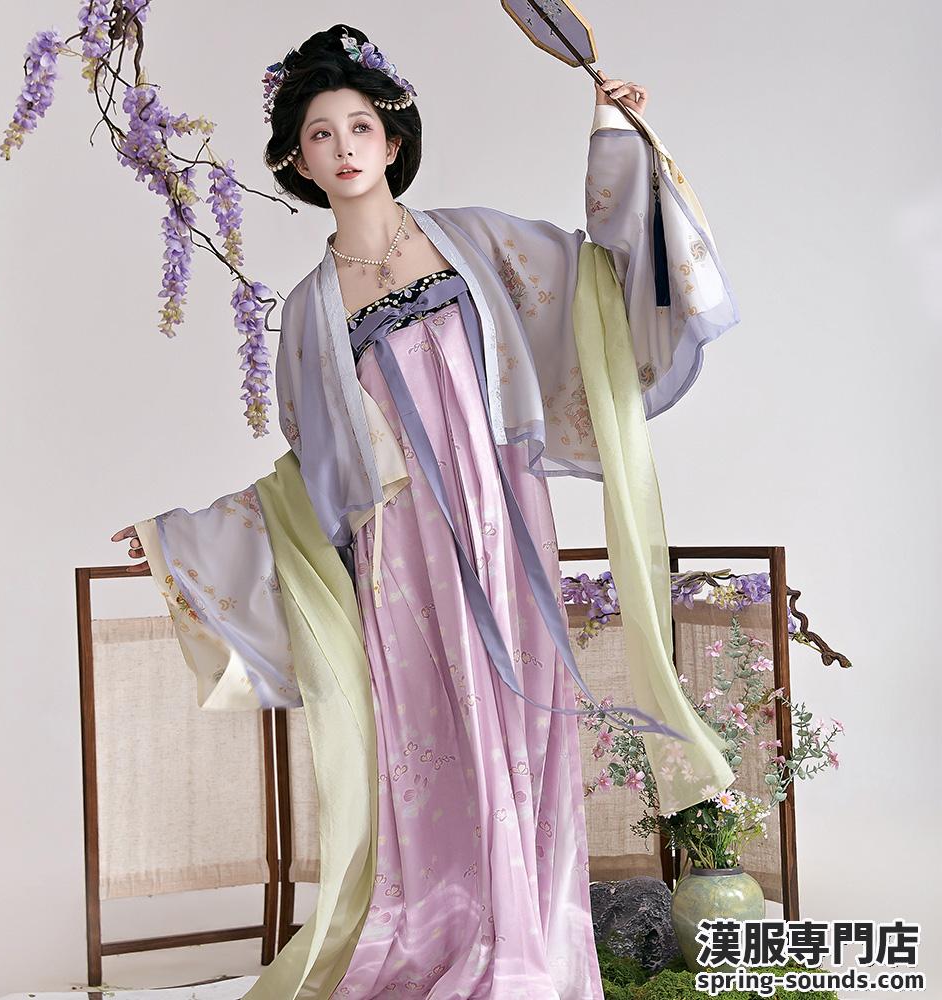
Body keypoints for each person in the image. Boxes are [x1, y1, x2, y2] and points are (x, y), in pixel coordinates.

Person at [111, 23, 739, 999]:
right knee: (428, 737)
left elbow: (601, 283)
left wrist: (613, 137)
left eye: (359, 126)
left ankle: (530, 936)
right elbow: (309, 476)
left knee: (523, 718)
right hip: (397, 556)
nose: (344, 147)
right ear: (295, 161)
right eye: (320, 135)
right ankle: (444, 923)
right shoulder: (306, 313)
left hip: (502, 521)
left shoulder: (474, 244)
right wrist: (182, 539)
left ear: (393, 139)